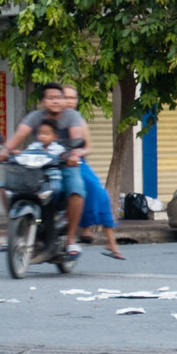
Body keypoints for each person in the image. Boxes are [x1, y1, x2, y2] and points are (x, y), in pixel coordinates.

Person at [0, 82, 89, 258]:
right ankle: (14, 230)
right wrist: (5, 151)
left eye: (59, 98)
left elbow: (76, 138)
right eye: (50, 98)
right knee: (5, 187)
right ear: (42, 101)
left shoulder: (71, 116)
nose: (55, 101)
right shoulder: (35, 116)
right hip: (39, 166)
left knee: (76, 191)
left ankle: (70, 239)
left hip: (64, 164)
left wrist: (73, 155)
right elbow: (19, 135)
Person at [62, 85, 124, 260]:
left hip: (76, 163)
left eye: (73, 98)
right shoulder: (53, 119)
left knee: (98, 192)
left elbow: (87, 147)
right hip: (53, 163)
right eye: (66, 97)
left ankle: (110, 241)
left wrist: (75, 154)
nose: (69, 102)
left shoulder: (78, 120)